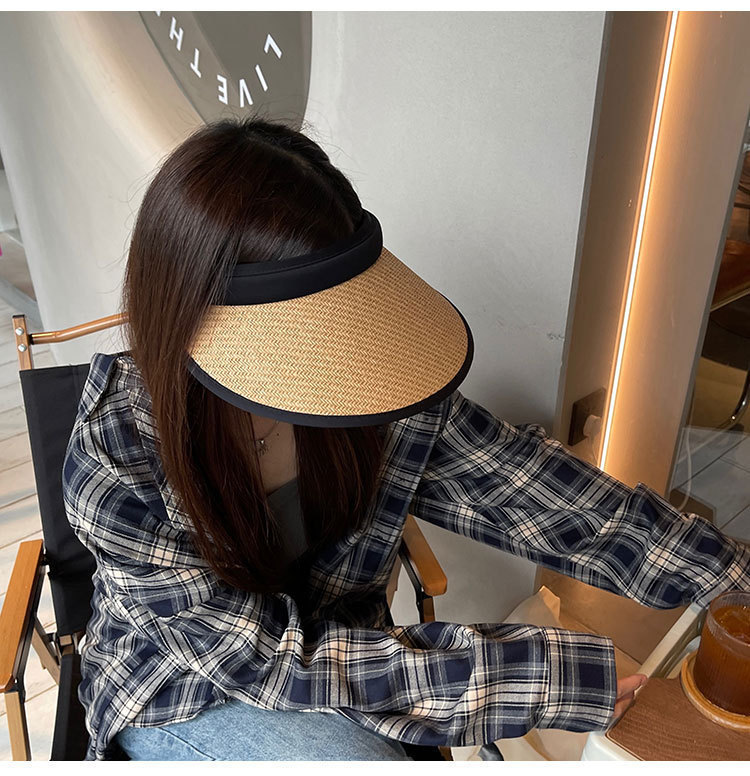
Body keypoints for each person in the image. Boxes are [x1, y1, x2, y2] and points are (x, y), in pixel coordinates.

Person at [62, 115, 750, 762]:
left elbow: (536, 493)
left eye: (337, 317)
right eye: (301, 331)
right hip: (182, 689)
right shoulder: (116, 456)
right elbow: (266, 661)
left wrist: (729, 579)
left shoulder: (370, 383)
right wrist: (541, 677)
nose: (334, 350)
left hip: (349, 655)